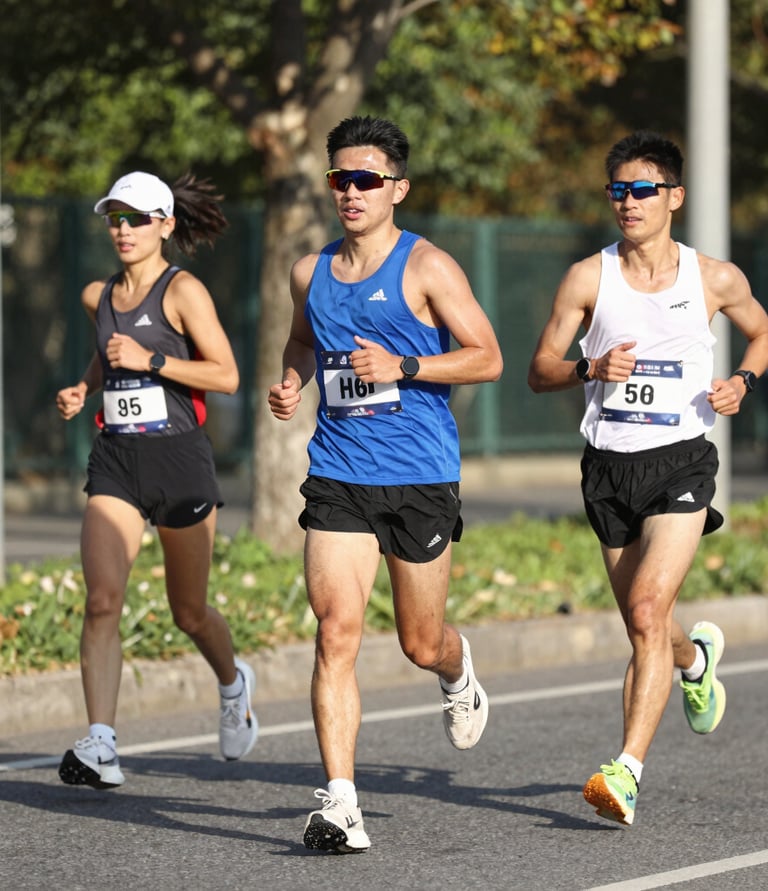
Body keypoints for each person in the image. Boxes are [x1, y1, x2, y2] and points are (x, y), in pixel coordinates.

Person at [268, 115, 503, 853]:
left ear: (397, 187)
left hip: (419, 475)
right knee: (335, 630)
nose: (351, 191)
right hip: (339, 470)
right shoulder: (310, 271)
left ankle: (458, 669)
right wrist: (289, 380)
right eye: (341, 177)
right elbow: (303, 339)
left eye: (367, 178)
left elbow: (487, 356)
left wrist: (403, 366)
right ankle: (341, 801)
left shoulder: (426, 266)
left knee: (418, 640)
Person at [528, 130, 768, 826]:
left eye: (642, 190)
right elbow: (540, 368)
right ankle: (695, 659)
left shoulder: (713, 278)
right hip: (608, 467)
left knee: (645, 609)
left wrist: (744, 382)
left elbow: (763, 329)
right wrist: (588, 368)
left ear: (674, 197)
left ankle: (624, 770)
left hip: (682, 461)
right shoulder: (586, 277)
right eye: (618, 191)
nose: (628, 203)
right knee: (649, 626)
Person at [55, 171, 258, 789]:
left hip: (180, 460)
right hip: (116, 460)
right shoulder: (99, 294)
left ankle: (232, 684)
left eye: (137, 218)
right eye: (115, 217)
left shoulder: (183, 291)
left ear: (165, 225)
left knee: (189, 612)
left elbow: (226, 376)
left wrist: (153, 361)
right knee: (101, 601)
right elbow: (105, 346)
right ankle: (102, 743)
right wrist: (84, 387)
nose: (123, 229)